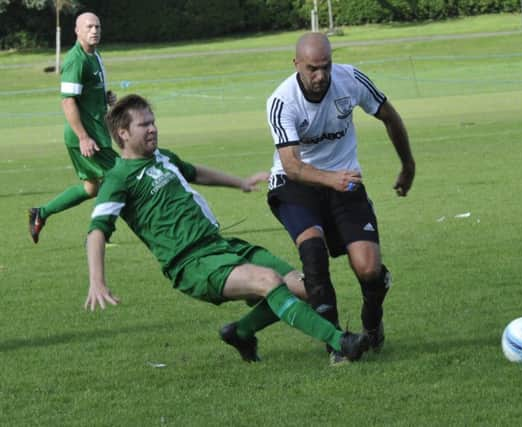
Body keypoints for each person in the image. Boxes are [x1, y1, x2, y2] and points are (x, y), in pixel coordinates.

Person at [85, 94, 370, 365]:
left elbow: (196, 172)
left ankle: (241, 333)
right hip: (190, 263)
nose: (153, 129)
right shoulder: (118, 178)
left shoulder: (163, 157)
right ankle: (341, 342)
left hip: (220, 245)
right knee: (269, 280)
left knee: (305, 286)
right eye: (144, 124)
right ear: (123, 133)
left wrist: (241, 182)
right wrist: (97, 280)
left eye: (153, 121)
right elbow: (97, 231)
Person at [265, 32, 415, 359]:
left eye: (326, 67)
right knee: (313, 256)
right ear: (296, 65)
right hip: (296, 186)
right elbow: (292, 166)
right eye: (312, 69)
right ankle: (337, 343)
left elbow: (389, 115)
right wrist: (330, 179)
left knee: (369, 270)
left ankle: (372, 324)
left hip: (344, 182)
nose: (320, 76)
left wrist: (408, 165)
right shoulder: (282, 101)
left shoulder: (350, 79)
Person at [29, 12, 118, 244]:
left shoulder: (94, 55)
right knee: (121, 177)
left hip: (95, 132)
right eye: (89, 26)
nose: (94, 30)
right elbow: (68, 100)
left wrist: (104, 96)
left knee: (91, 189)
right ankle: (101, 231)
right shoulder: (76, 60)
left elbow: (84, 93)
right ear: (77, 31)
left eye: (97, 26)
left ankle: (42, 213)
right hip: (88, 137)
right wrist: (83, 137)